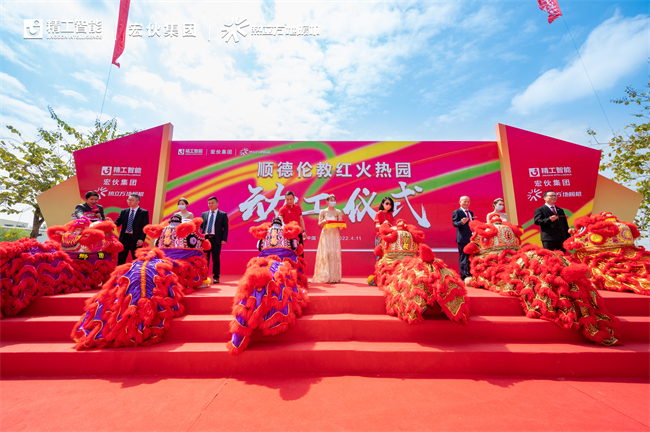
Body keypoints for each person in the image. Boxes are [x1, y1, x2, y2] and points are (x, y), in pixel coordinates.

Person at [312, 194, 343, 284]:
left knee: (334, 253)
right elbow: (319, 224)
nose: (333, 202)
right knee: (325, 254)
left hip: (334, 235)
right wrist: (324, 221)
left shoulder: (338, 212)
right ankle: (325, 276)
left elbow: (340, 225)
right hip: (326, 234)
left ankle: (334, 277)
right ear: (327, 202)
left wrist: (337, 223)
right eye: (331, 200)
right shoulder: (323, 212)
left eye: (334, 200)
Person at [200, 196, 229, 284]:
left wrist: (224, 239)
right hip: (206, 240)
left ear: (217, 203)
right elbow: (201, 227)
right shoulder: (204, 214)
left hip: (216, 239)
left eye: (212, 203)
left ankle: (216, 277)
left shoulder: (222, 214)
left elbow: (226, 228)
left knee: (216, 259)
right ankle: (204, 276)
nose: (210, 204)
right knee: (205, 259)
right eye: (209, 203)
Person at [114, 194, 150, 265]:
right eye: (128, 200)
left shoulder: (143, 212)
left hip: (136, 239)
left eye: (132, 200)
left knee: (137, 260)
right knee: (121, 260)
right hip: (124, 238)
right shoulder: (124, 211)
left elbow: (145, 227)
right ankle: (119, 272)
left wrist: (141, 239)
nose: (129, 201)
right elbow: (117, 223)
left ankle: (136, 272)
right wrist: (109, 222)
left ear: (138, 201)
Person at [452, 195, 474, 282]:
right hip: (462, 238)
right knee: (463, 258)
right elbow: (455, 223)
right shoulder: (457, 212)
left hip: (471, 238)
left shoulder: (471, 213)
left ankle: (470, 274)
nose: (466, 203)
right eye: (464, 201)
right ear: (460, 202)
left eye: (468, 201)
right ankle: (464, 276)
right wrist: (461, 222)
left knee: (470, 257)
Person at [278, 191, 307, 255]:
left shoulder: (297, 207)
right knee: (289, 253)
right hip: (289, 234)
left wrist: (304, 231)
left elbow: (301, 220)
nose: (289, 201)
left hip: (298, 233)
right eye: (287, 199)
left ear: (294, 198)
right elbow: (280, 217)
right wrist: (278, 219)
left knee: (300, 252)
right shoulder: (282, 209)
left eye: (291, 199)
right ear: (285, 199)